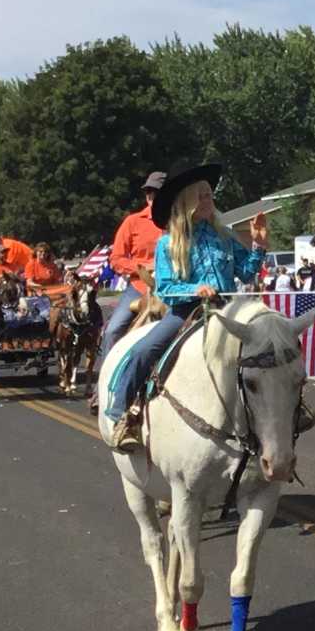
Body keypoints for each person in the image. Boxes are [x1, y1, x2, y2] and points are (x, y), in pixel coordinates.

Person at [103, 164, 267, 452]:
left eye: (210, 195)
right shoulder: (168, 243)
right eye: (202, 196)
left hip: (227, 310)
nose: (209, 200)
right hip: (186, 312)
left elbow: (246, 272)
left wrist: (259, 245)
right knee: (144, 350)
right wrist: (195, 289)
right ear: (188, 202)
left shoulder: (225, 236)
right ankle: (122, 414)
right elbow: (165, 288)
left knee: (270, 346)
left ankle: (281, 410)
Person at [100, 171, 166, 362]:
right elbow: (116, 259)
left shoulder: (178, 222)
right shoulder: (133, 222)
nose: (151, 196)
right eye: (149, 192)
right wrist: (143, 268)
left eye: (157, 192)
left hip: (172, 288)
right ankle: (105, 378)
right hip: (139, 287)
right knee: (113, 330)